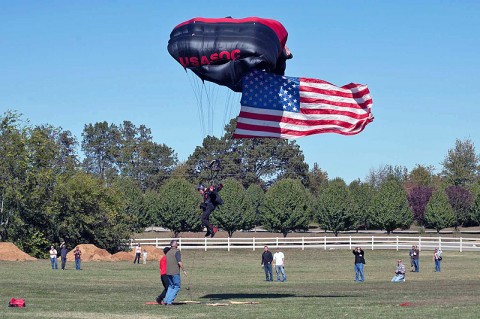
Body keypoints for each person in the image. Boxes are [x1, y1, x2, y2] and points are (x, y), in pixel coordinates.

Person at [164, 240, 187, 305]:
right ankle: (169, 301)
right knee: (177, 286)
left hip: (168, 272)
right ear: (175, 245)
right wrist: (184, 270)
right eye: (177, 244)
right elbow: (179, 262)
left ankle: (166, 300)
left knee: (171, 286)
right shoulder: (177, 252)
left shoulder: (168, 252)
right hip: (175, 272)